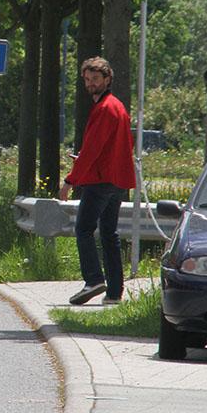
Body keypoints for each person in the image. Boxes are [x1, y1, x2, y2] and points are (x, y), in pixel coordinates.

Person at [59, 56, 135, 306]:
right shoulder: (118, 106)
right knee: (109, 234)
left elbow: (92, 148)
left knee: (83, 229)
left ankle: (93, 279)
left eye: (95, 79)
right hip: (117, 180)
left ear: (107, 79)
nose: (90, 83)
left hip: (100, 180)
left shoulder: (104, 109)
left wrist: (70, 180)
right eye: (87, 79)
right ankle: (114, 292)